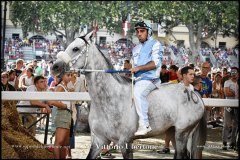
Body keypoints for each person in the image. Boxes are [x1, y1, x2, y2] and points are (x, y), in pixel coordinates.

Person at [130, 21, 163, 136]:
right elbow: (133, 67)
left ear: (148, 32)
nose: (139, 34)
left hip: (151, 79)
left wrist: (138, 68)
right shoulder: (135, 49)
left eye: (142, 31)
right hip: (137, 79)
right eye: (138, 31)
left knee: (138, 93)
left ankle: (145, 125)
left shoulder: (156, 44)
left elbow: (155, 63)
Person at [48, 70, 73, 159]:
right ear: (62, 76)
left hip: (67, 114)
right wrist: (64, 106)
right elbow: (51, 101)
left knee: (64, 143)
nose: (70, 77)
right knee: (59, 142)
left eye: (71, 75)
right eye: (68, 75)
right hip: (63, 114)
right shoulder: (60, 87)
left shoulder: (65, 87)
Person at [222, 67, 239, 150]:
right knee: (227, 124)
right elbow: (227, 93)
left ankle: (233, 142)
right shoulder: (227, 82)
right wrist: (235, 93)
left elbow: (231, 93)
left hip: (237, 106)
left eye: (235, 72)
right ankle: (224, 142)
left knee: (236, 125)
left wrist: (232, 92)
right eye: (232, 72)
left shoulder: (238, 83)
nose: (234, 74)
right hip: (228, 105)